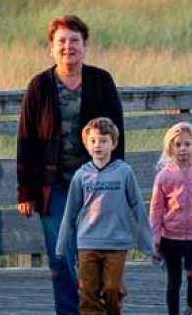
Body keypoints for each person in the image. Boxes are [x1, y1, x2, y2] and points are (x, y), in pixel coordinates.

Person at [16, 14, 125, 315]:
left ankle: (98, 309)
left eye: (74, 40)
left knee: (96, 254)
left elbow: (118, 134)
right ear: (51, 47)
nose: (68, 47)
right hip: (54, 187)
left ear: (85, 45)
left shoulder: (101, 81)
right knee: (61, 257)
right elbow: (26, 140)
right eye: (61, 41)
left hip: (97, 186)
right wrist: (25, 191)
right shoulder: (39, 85)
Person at [56, 117, 156, 315]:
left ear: (113, 143)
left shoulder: (124, 172)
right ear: (86, 144)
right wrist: (61, 245)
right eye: (93, 141)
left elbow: (137, 207)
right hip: (87, 243)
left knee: (111, 290)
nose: (98, 145)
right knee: (87, 293)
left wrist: (148, 244)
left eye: (103, 140)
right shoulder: (81, 175)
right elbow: (70, 212)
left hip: (116, 243)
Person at [149, 122, 192, 315]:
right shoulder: (164, 176)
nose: (182, 149)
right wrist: (154, 239)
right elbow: (156, 210)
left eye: (187, 144)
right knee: (174, 281)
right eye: (177, 145)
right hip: (171, 237)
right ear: (170, 148)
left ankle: (191, 306)